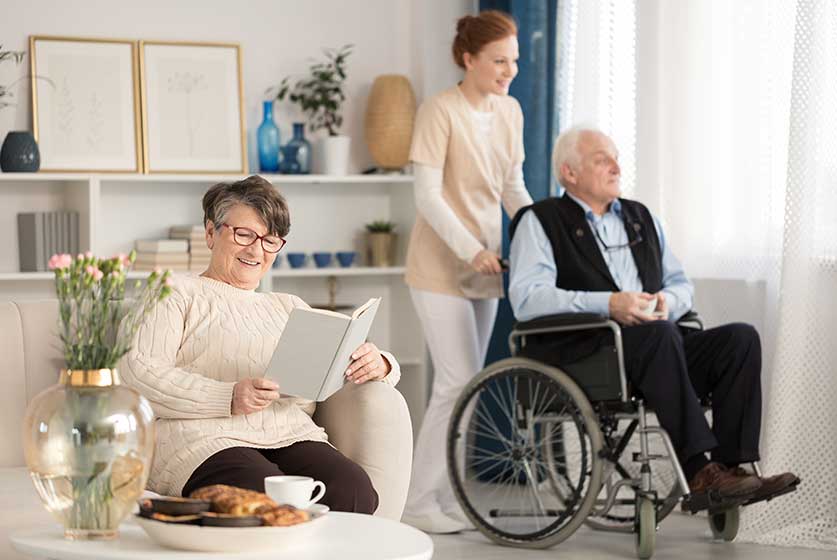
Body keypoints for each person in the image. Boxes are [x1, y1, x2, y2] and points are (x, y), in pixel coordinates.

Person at [508, 127, 798, 508]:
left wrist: (667, 301)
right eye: (601, 159)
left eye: (615, 157)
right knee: (659, 335)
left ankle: (732, 469)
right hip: (590, 353)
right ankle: (699, 470)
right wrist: (608, 303)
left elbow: (681, 284)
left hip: (659, 346)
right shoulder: (540, 221)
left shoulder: (640, 218)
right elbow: (527, 299)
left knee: (740, 339)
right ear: (569, 173)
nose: (616, 166)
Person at [119, 175, 400, 513]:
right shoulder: (172, 291)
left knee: (354, 492)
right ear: (211, 232)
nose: (256, 250)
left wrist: (381, 363)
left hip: (289, 433)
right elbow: (138, 373)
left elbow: (341, 356)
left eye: (270, 240)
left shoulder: (289, 305)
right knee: (264, 502)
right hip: (203, 440)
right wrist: (228, 397)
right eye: (244, 234)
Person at [402, 10, 533, 534]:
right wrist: (468, 247)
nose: (509, 70)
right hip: (439, 264)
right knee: (454, 380)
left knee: (469, 384)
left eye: (514, 61)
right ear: (469, 59)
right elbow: (427, 196)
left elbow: (513, 189)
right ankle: (416, 501)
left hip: (487, 267)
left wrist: (539, 232)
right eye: (499, 60)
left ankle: (442, 494)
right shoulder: (440, 111)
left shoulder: (511, 111)